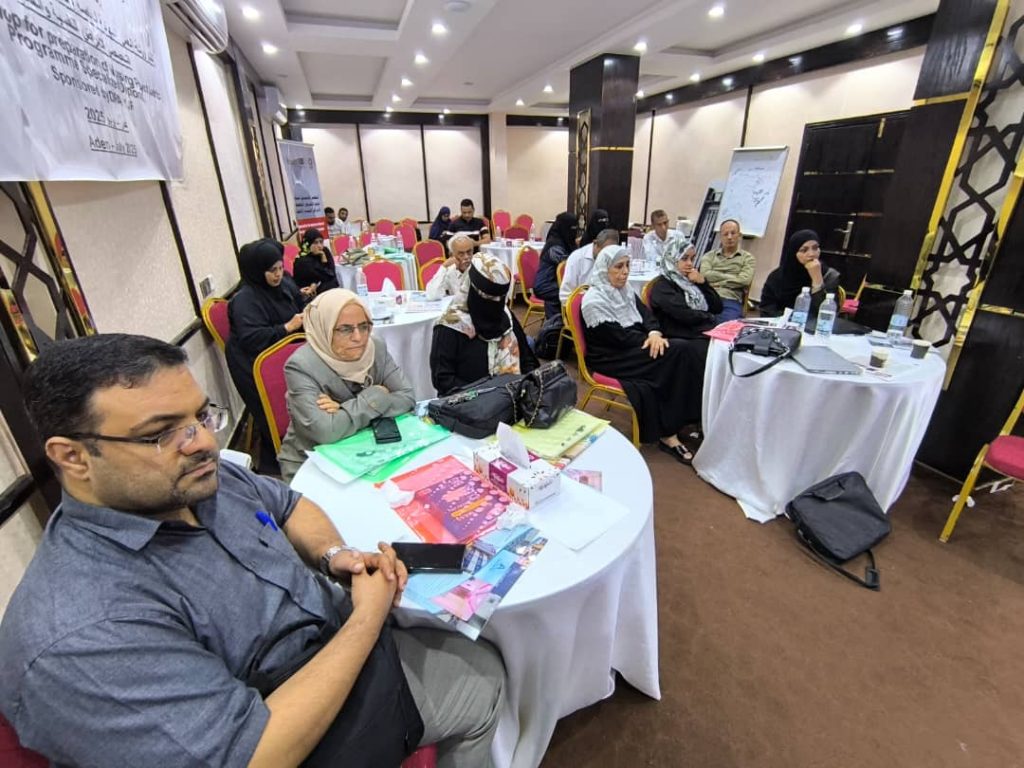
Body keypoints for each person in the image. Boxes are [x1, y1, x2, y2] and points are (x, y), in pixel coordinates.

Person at [0, 334, 504, 768]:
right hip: (294, 722)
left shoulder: (192, 480)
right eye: (161, 434)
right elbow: (253, 754)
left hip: (334, 638)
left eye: (200, 416)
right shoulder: (84, 630)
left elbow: (288, 505)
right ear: (73, 457)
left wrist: (332, 555)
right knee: (484, 677)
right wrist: (365, 620)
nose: (202, 442)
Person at [581, 246, 705, 465]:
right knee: (677, 352)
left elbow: (646, 316)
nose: (625, 272)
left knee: (688, 350)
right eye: (618, 267)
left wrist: (654, 333)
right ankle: (668, 431)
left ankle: (687, 418)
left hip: (633, 344)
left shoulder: (625, 289)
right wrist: (649, 340)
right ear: (604, 269)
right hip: (611, 356)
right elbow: (617, 337)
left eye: (627, 265)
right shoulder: (593, 301)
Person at [278, 290, 415, 482]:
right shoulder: (301, 366)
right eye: (345, 329)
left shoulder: (375, 347)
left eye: (364, 326)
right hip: (314, 463)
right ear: (324, 328)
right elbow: (326, 431)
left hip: (372, 449)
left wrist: (341, 410)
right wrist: (378, 394)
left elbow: (407, 398)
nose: (359, 337)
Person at [226, 239, 311, 473]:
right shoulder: (244, 300)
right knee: (277, 412)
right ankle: (280, 457)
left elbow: (296, 302)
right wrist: (287, 327)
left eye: (280, 267)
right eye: (272, 270)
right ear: (256, 270)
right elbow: (251, 338)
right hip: (254, 363)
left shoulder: (283, 283)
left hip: (285, 353)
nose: (278, 274)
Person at [430, 254, 538, 396]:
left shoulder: (505, 316)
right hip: (471, 402)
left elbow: (527, 360)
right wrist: (489, 395)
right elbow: (443, 380)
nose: (494, 304)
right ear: (471, 289)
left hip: (514, 397)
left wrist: (528, 386)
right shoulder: (449, 326)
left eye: (499, 299)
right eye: (488, 298)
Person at [648, 239, 723, 340]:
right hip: (677, 337)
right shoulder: (663, 286)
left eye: (692, 259)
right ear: (672, 259)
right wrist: (710, 317)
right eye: (684, 259)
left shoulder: (689, 281)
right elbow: (685, 315)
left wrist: (703, 284)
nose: (690, 264)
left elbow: (717, 307)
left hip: (696, 331)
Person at [759, 229, 841, 318]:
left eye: (815, 248)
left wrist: (817, 280)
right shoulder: (778, 276)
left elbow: (826, 315)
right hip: (781, 322)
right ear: (793, 253)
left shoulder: (829, 276)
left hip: (813, 325)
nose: (811, 254)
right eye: (804, 250)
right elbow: (766, 309)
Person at [698, 218, 754, 321]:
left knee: (725, 324)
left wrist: (718, 282)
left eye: (733, 233)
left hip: (730, 298)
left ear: (739, 235)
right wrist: (732, 278)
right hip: (708, 296)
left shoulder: (748, 258)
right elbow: (705, 275)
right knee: (693, 318)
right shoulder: (709, 256)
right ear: (720, 236)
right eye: (725, 234)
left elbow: (744, 280)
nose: (729, 237)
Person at [533, 211, 579, 320]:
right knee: (572, 293)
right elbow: (570, 265)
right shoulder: (555, 246)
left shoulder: (565, 241)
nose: (574, 232)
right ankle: (556, 324)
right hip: (545, 286)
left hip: (556, 283)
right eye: (571, 228)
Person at [559, 227, 619, 305]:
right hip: (581, 304)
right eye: (604, 252)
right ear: (595, 243)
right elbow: (565, 295)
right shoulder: (577, 258)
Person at [425, 232, 474, 299]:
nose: (466, 257)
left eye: (469, 252)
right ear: (451, 255)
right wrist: (443, 267)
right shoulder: (449, 271)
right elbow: (432, 295)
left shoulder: (480, 267)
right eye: (461, 254)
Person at [293, 228, 340, 295]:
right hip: (308, 291)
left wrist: (324, 258)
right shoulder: (303, 260)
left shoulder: (324, 251)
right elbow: (324, 275)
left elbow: (332, 273)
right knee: (331, 284)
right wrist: (315, 283)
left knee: (332, 282)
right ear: (308, 244)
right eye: (315, 243)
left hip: (321, 284)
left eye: (321, 242)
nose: (319, 246)